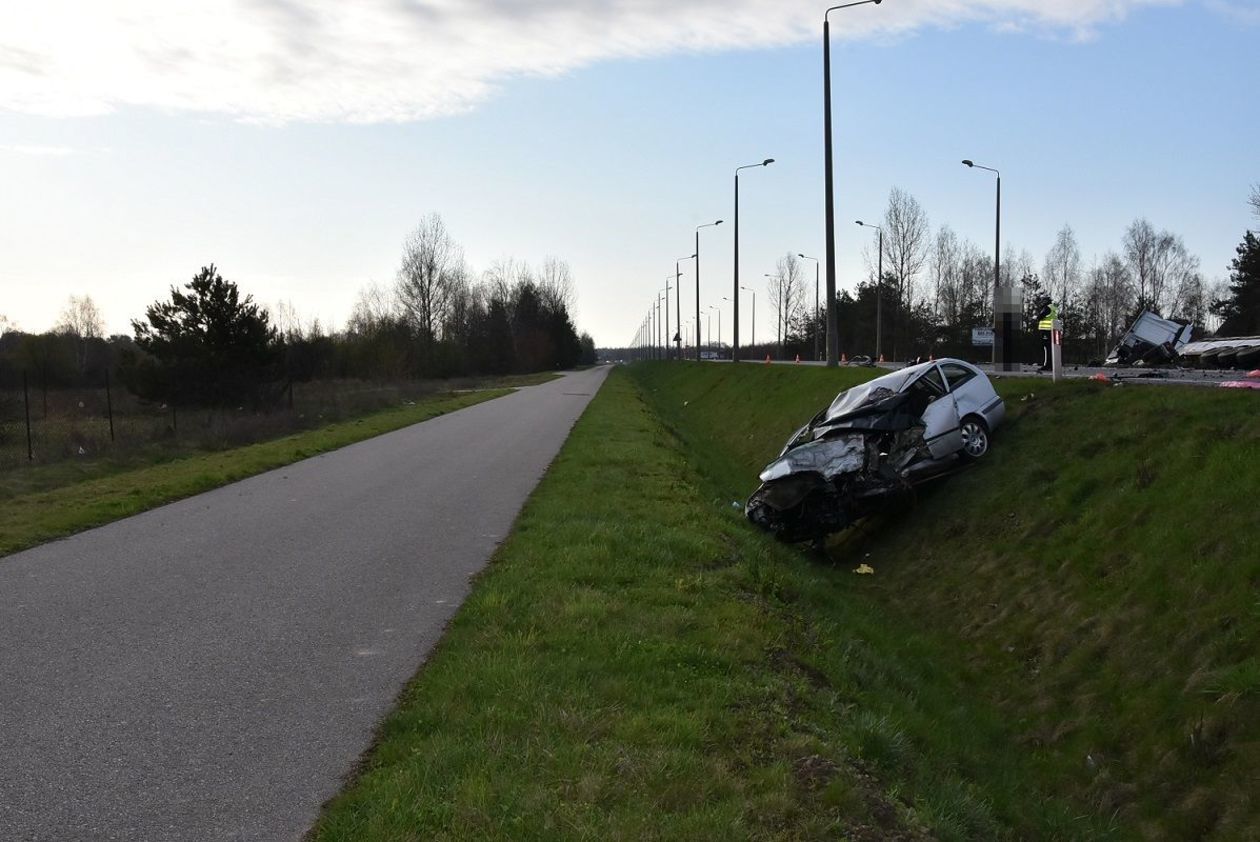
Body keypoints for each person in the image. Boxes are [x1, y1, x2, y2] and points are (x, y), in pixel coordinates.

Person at [1037, 301, 1058, 371]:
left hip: (1046, 330)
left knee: (1046, 348)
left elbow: (1040, 317)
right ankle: (1052, 364)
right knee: (1052, 348)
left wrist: (1037, 317)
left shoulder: (1047, 308)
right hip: (1053, 330)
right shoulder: (1054, 308)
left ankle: (1047, 365)